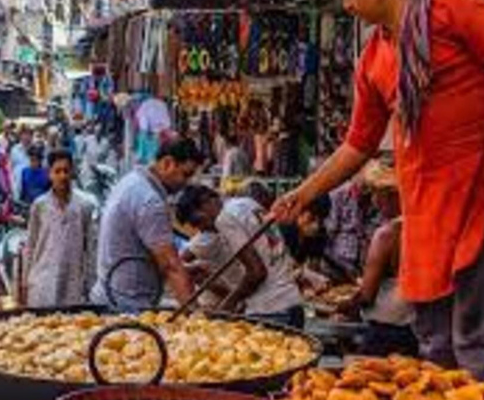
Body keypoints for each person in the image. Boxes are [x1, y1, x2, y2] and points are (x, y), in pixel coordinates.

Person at [271, 0, 484, 381]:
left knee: (475, 337)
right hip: (426, 208)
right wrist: (304, 192)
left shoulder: (451, 4)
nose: (348, 5)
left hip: (483, 192)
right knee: (432, 338)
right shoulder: (372, 58)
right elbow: (358, 144)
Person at [90, 137, 203, 309]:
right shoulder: (149, 200)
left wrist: (184, 269)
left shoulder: (131, 181)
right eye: (185, 174)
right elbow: (170, 265)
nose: (186, 182)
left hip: (113, 294)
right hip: (126, 303)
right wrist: (196, 318)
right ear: (167, 163)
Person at [175, 185, 304, 327]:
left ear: (207, 201)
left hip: (268, 309)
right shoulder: (247, 203)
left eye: (198, 221)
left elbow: (257, 273)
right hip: (293, 304)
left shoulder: (224, 218)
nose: (202, 228)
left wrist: (228, 304)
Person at [340, 161, 417, 356]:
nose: (374, 201)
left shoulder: (387, 234)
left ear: (392, 195)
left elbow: (367, 296)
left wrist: (344, 306)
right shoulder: (421, 226)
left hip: (385, 330)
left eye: (377, 193)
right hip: (413, 328)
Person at [23, 149, 92, 307]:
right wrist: (26, 280)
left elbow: (90, 248)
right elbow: (31, 244)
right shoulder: (39, 205)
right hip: (43, 280)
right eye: (57, 171)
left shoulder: (84, 206)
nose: (62, 176)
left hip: (73, 283)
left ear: (72, 173)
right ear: (50, 174)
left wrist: (89, 282)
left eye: (66, 171)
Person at [10, 125, 33, 199]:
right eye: (24, 134)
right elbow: (11, 168)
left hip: (31, 184)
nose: (26, 137)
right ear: (20, 136)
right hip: (18, 184)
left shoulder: (35, 149)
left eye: (29, 134)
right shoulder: (15, 149)